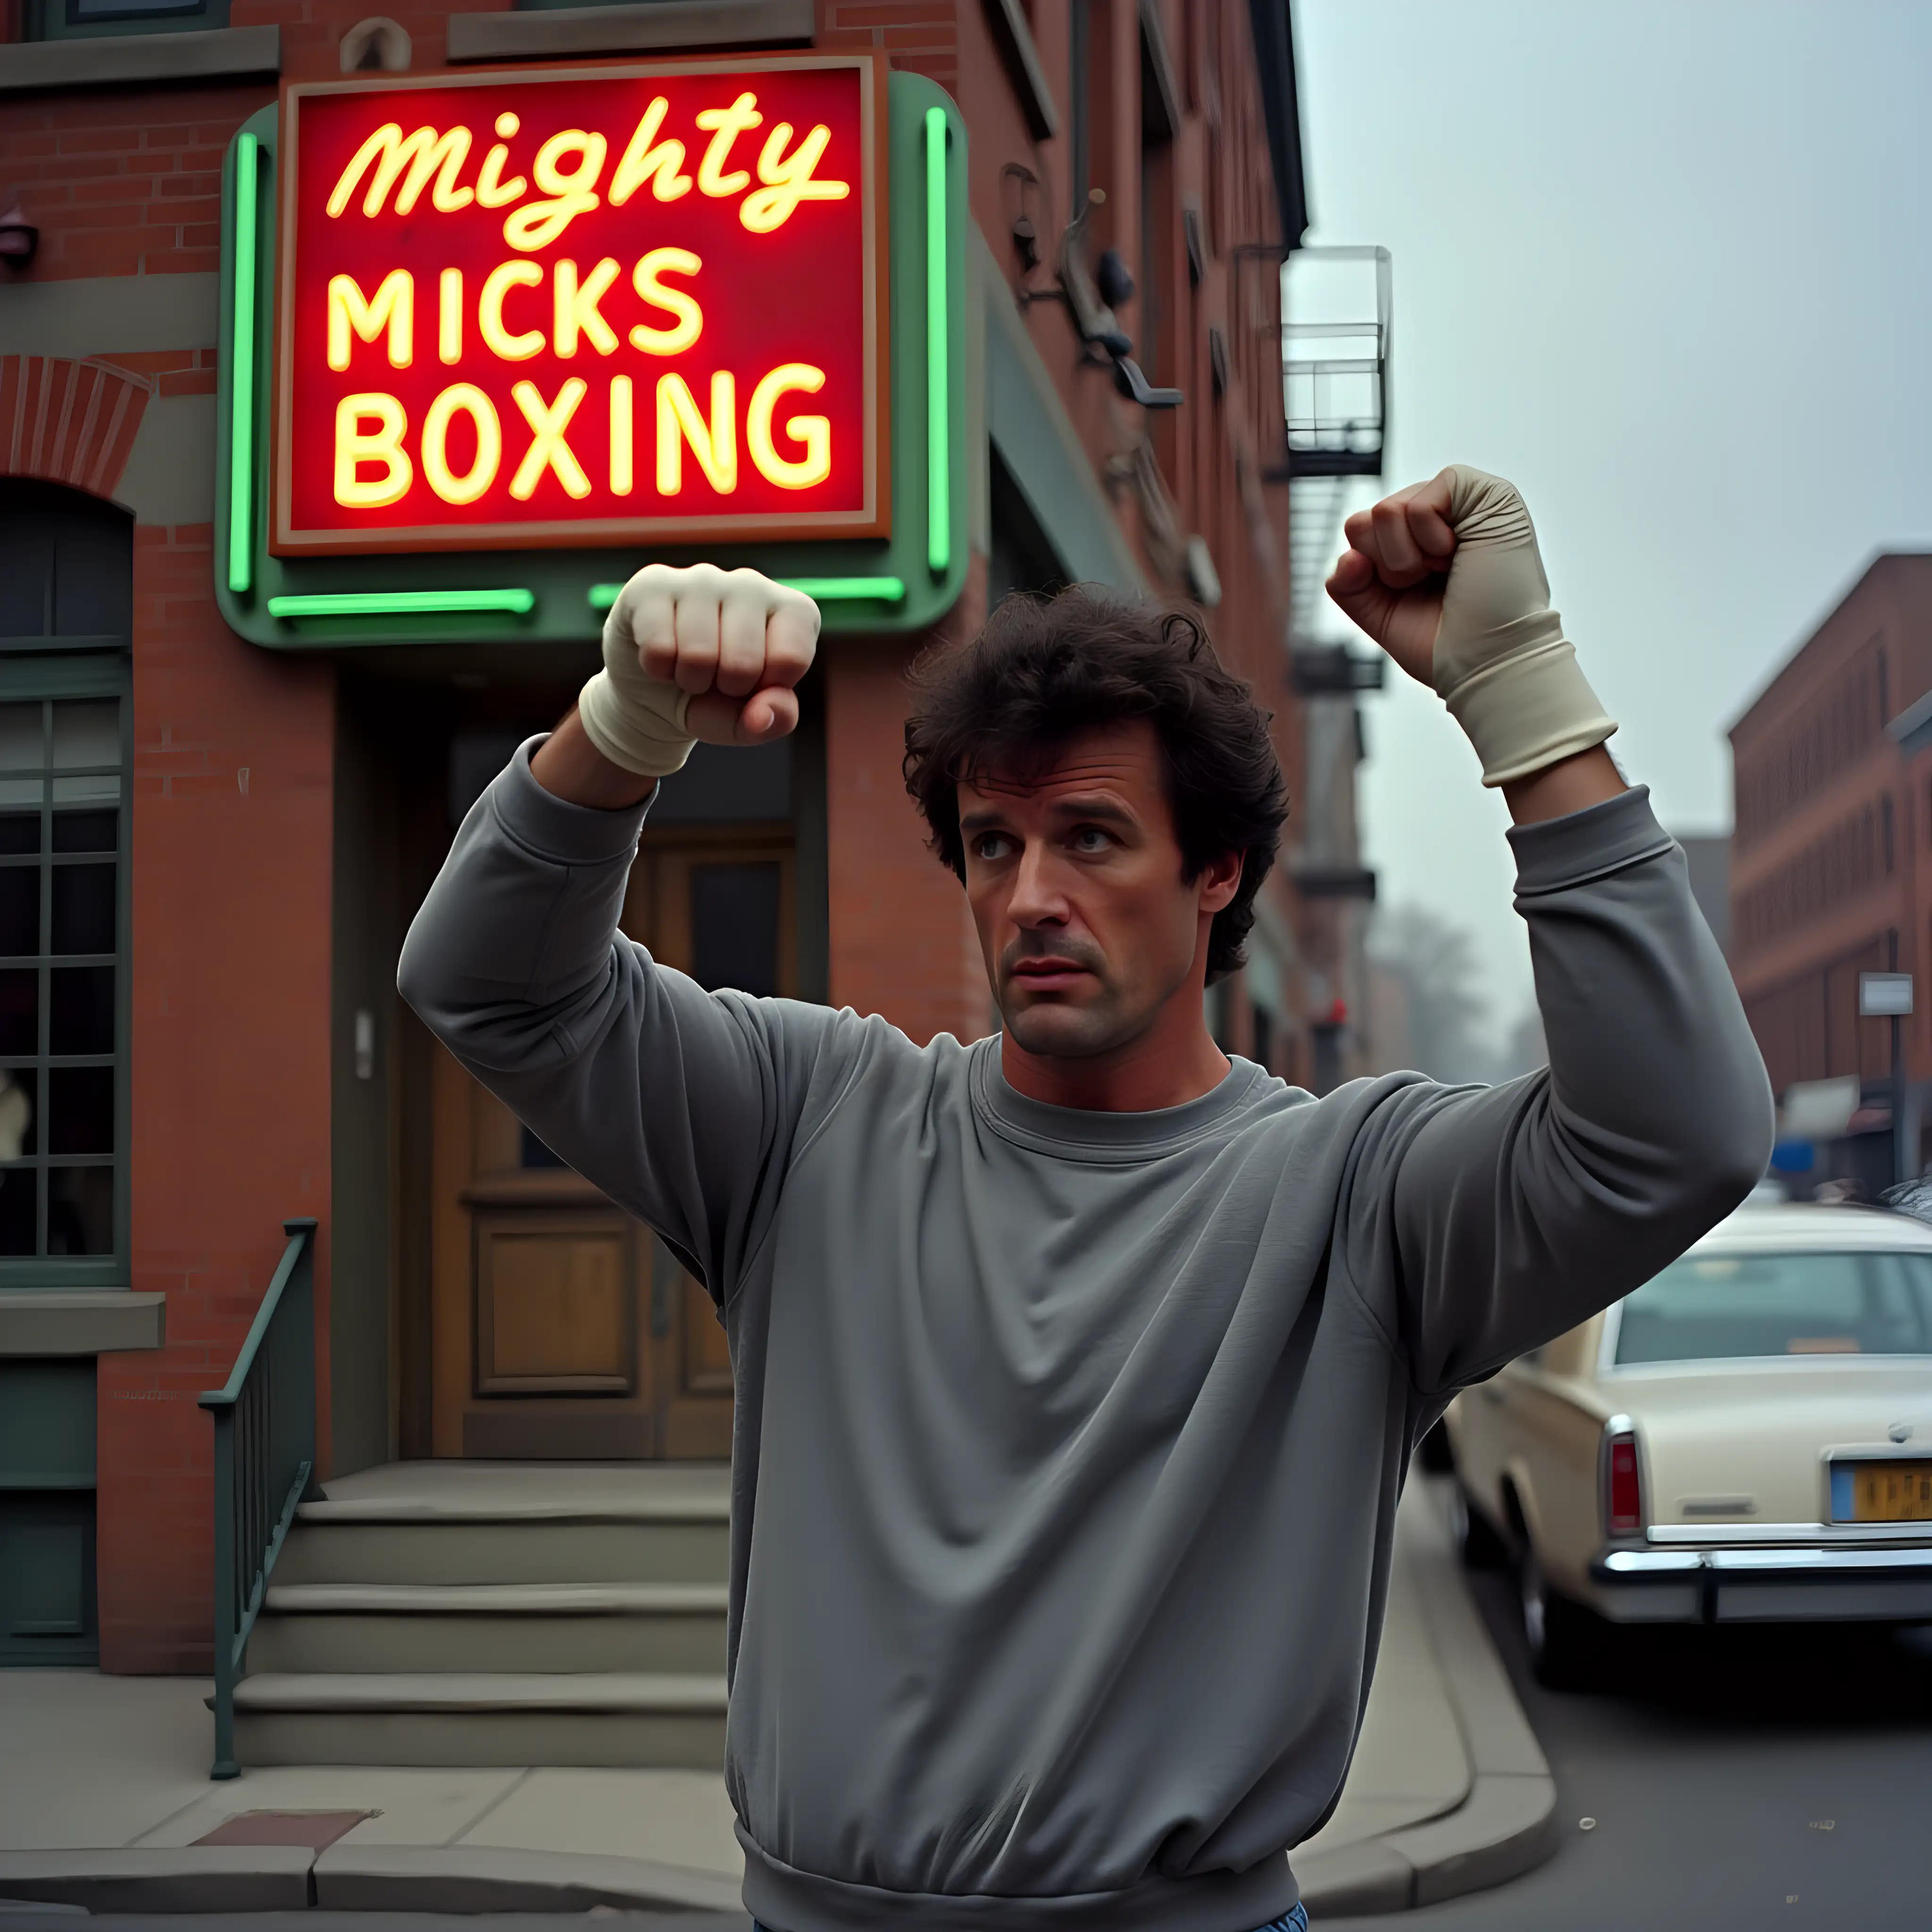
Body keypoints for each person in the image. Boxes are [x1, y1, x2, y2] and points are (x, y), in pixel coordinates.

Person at [399, 467, 1773, 1932]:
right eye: (996, 845)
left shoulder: (1354, 1198)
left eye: (1093, 838)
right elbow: (488, 985)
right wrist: (614, 736)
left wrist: (1521, 694)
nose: (1031, 895)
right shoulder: (811, 1121)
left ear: (1216, 874)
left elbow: (1674, 1136)